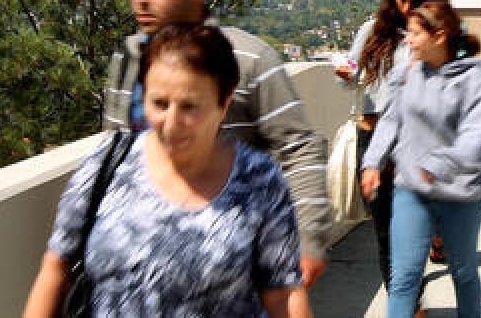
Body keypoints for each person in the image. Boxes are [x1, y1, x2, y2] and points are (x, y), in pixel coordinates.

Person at [26, 24, 311, 317]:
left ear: (223, 104)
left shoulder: (258, 180)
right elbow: (55, 271)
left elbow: (283, 294)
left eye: (190, 107)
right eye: (160, 103)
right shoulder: (109, 162)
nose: (171, 123)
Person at [102, 0, 330, 288]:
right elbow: (114, 151)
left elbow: (298, 149)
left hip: (230, 267)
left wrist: (308, 240)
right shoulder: (128, 59)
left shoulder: (249, 59)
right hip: (139, 268)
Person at [360, 0, 481, 318]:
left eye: (414, 34)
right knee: (404, 276)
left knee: (462, 273)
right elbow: (391, 119)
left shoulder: (474, 79)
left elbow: (477, 137)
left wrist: (437, 164)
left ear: (439, 35)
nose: (407, 40)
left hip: (459, 194)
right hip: (411, 189)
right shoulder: (409, 73)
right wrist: (372, 162)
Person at [337, 0, 450, 294]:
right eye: (402, 0)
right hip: (372, 138)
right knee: (386, 232)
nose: (407, 9)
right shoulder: (372, 30)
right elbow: (354, 77)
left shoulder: (440, 36)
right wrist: (346, 75)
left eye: (415, 2)